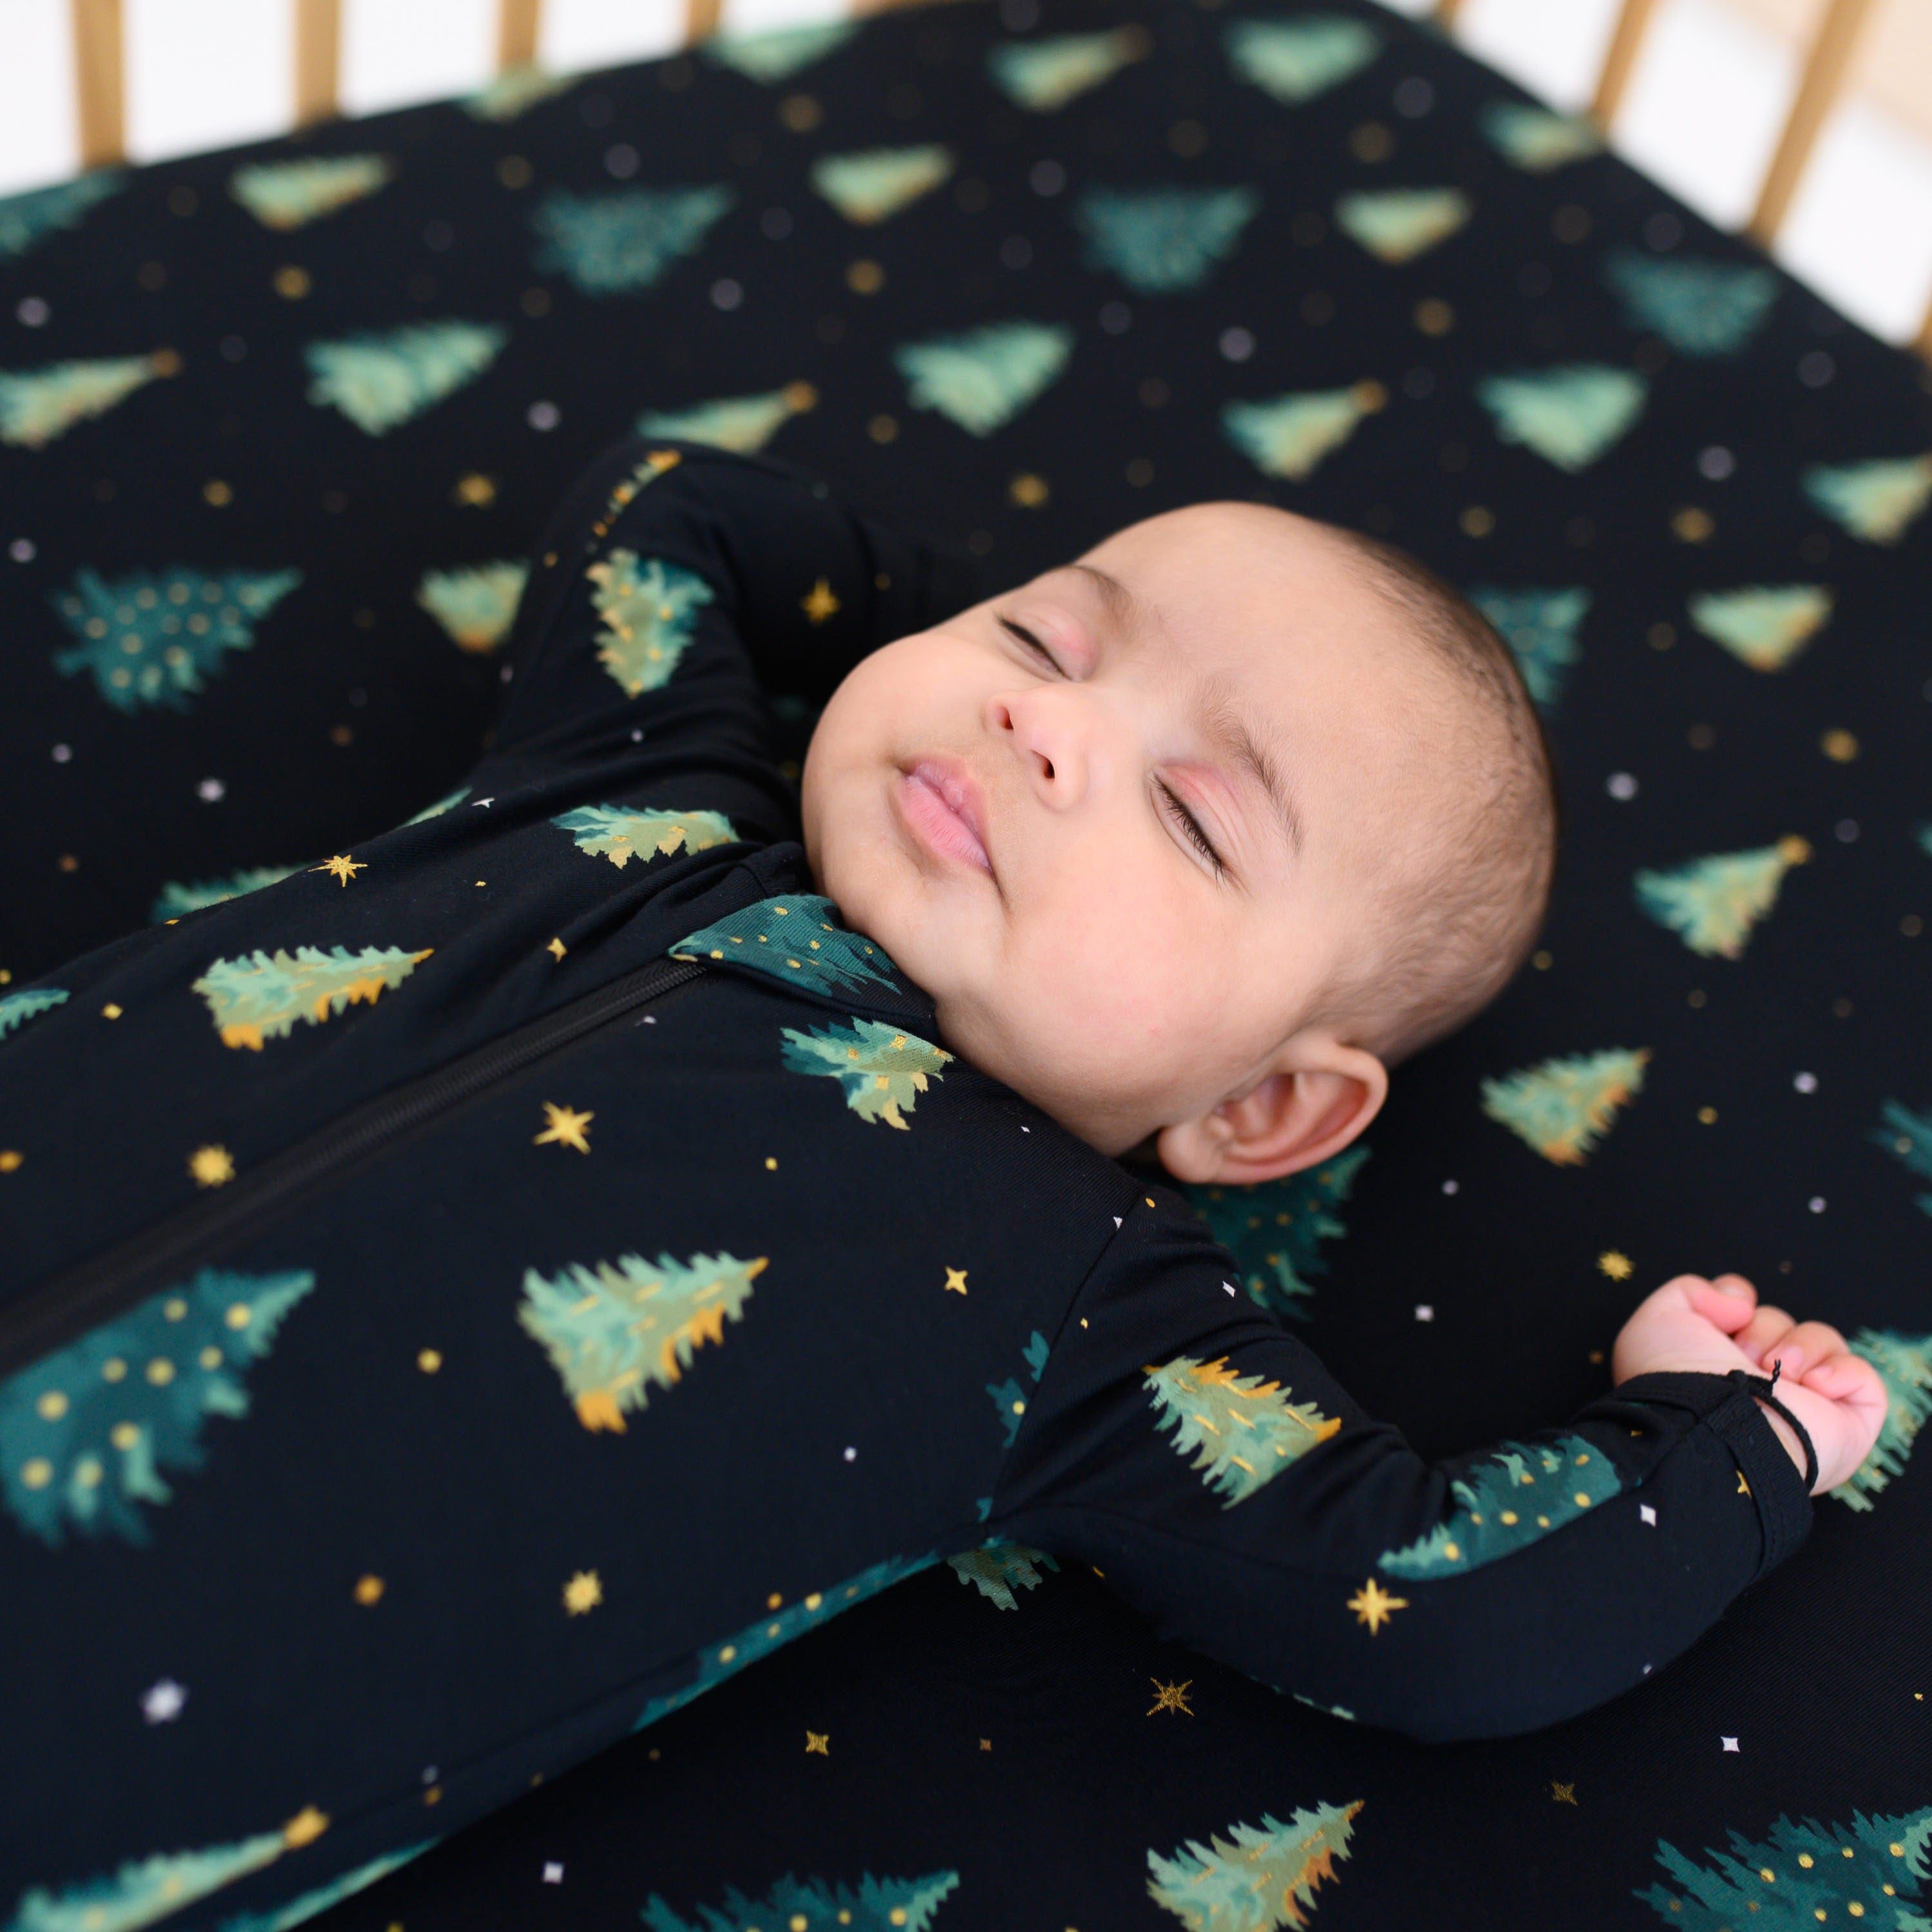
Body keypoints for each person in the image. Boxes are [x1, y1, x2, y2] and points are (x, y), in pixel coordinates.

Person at [0, 435, 1887, 1926]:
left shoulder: (1080, 1307)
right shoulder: (632, 776)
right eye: (1044, 637)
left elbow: (1437, 1601)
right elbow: (673, 515)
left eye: (1190, 810)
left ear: (1261, 1114)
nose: (1044, 724)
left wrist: (1721, 1444)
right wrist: (930, 624)